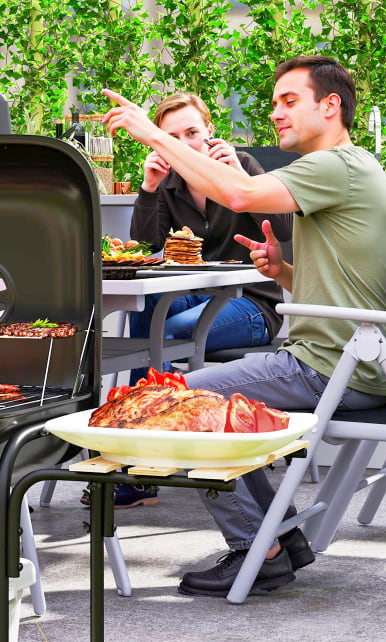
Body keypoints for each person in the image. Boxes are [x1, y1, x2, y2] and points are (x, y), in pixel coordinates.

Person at [103, 56, 386, 597]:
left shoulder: (336, 165)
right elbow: (353, 287)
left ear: (330, 106)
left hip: (332, 366)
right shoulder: (351, 170)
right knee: (202, 401)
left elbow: (237, 195)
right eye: (274, 105)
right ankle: (277, 541)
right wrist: (283, 270)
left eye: (290, 101)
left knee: (170, 403)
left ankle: (256, 552)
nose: (276, 115)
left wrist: (151, 133)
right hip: (351, 361)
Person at [104, 92, 294, 511]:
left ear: (210, 130)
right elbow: (144, 247)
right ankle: (148, 444)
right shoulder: (169, 186)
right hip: (195, 294)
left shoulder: (241, 168)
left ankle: (145, 447)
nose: (186, 143)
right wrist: (149, 189)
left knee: (163, 331)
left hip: (252, 304)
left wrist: (240, 182)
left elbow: (285, 229)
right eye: (172, 136)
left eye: (192, 132)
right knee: (146, 312)